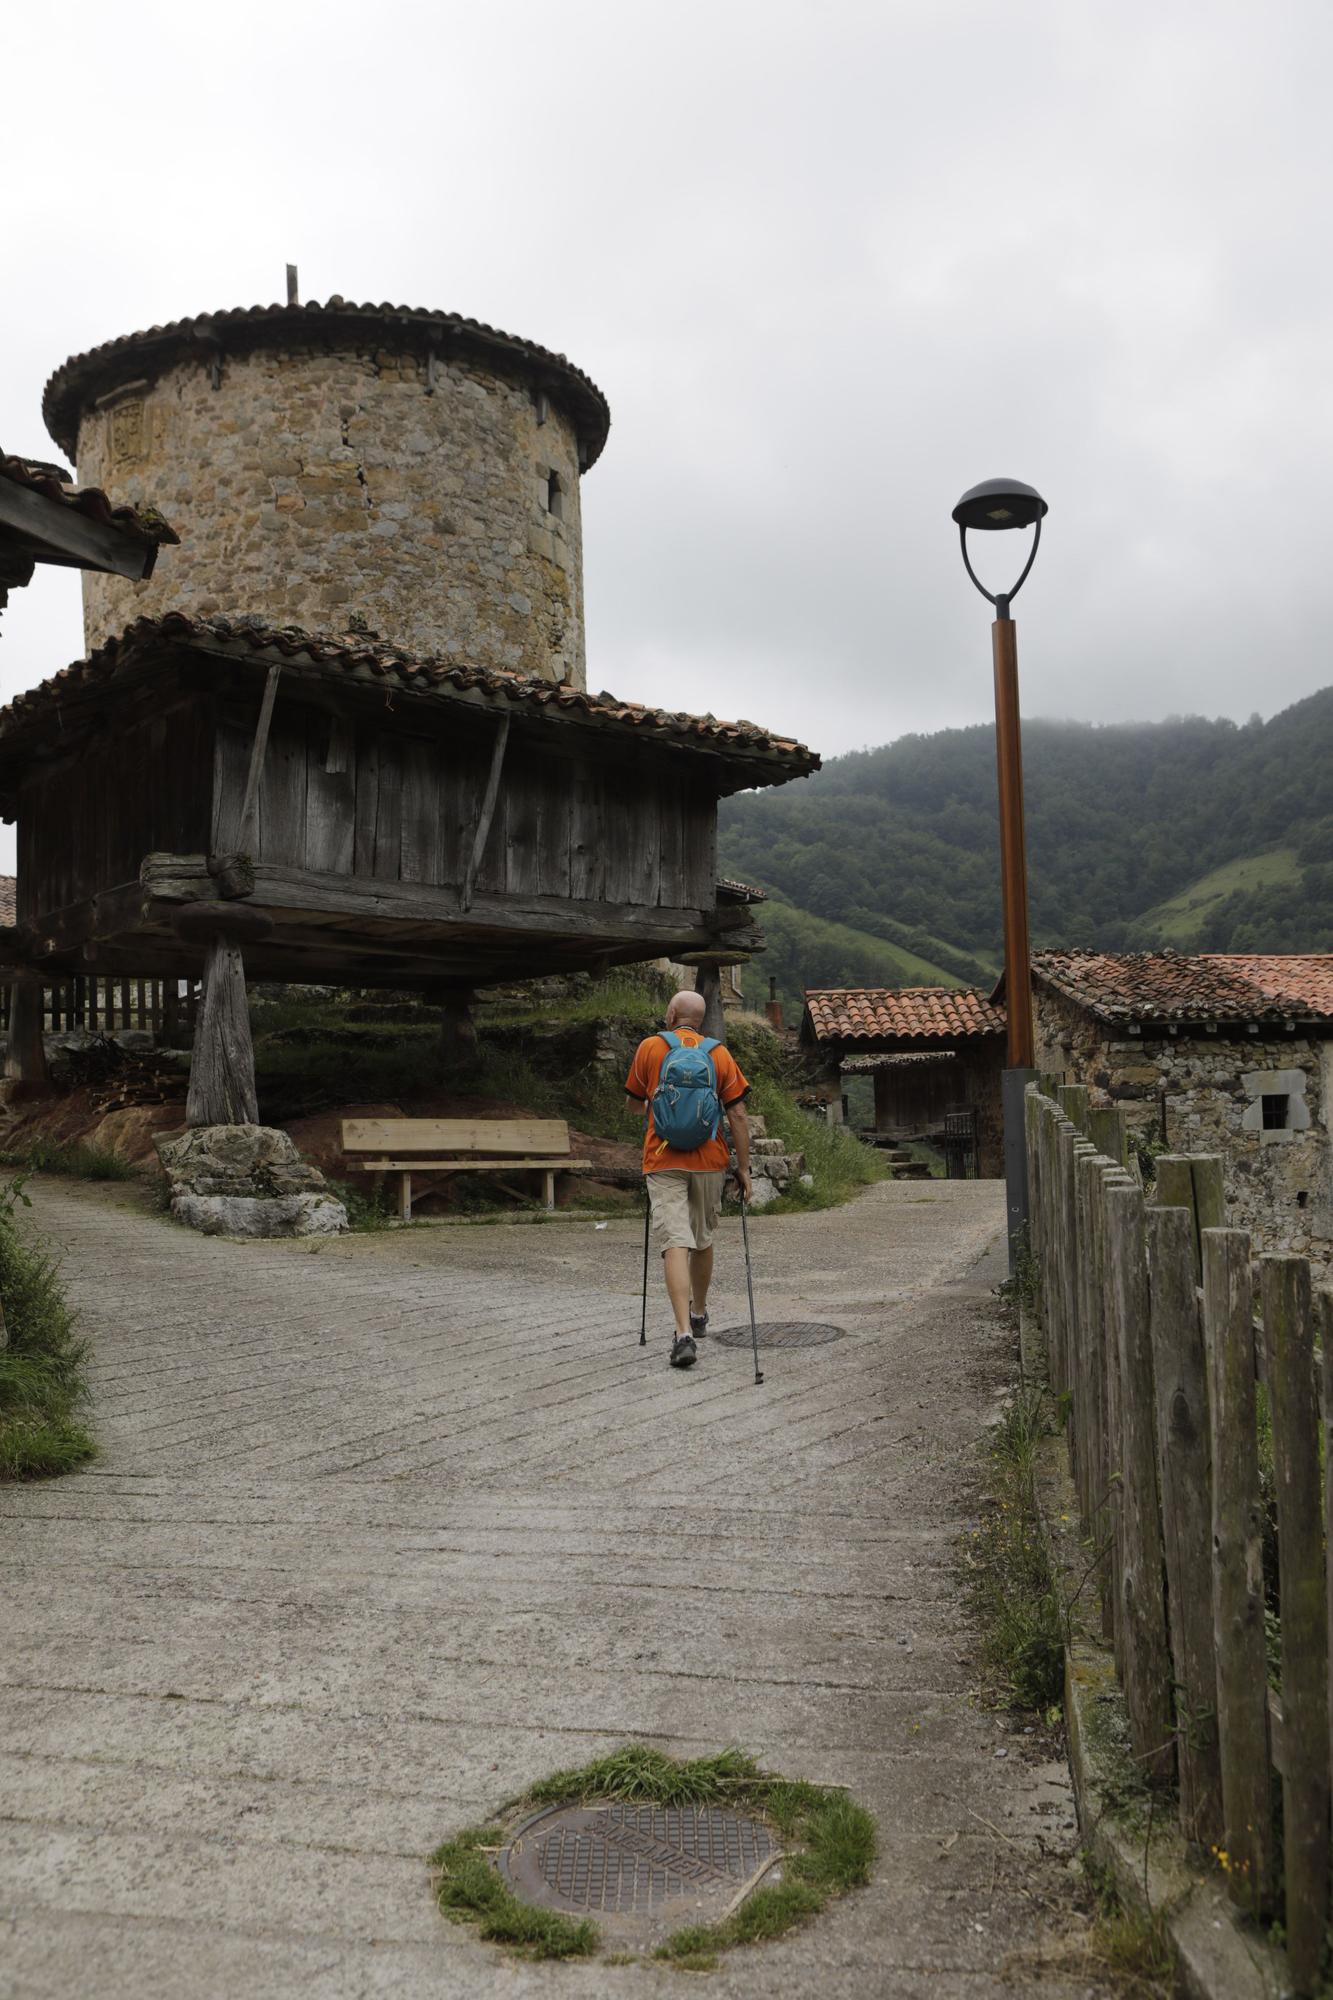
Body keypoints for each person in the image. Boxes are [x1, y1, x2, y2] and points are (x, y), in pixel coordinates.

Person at [624, 989, 752, 1369]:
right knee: (703, 1238)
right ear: (700, 1018)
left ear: (671, 1014)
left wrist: (655, 1102)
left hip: (662, 1160)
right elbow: (738, 1115)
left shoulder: (650, 1047)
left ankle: (681, 1334)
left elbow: (633, 1105)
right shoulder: (718, 1053)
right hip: (709, 1161)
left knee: (674, 1242)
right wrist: (743, 1169)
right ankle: (699, 1312)